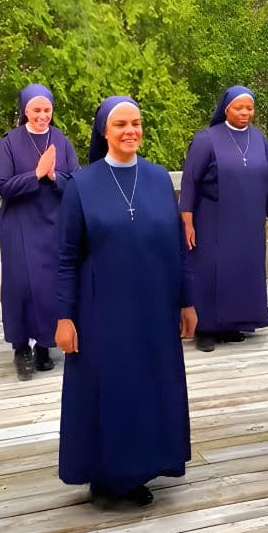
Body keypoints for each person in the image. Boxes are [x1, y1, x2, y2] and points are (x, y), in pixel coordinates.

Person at [55, 96, 197, 506]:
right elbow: (65, 258)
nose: (130, 131)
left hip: (154, 307)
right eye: (120, 125)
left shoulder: (156, 179)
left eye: (136, 123)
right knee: (111, 390)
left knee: (149, 387)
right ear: (104, 131)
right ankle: (106, 475)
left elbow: (177, 247)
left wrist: (187, 302)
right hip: (102, 312)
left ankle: (140, 470)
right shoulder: (81, 185)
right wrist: (64, 317)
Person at [180, 85, 268, 352]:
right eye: (239, 107)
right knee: (210, 272)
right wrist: (187, 221)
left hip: (248, 221)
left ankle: (234, 323)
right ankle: (204, 329)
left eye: (249, 107)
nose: (245, 112)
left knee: (242, 271)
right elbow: (190, 182)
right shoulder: (206, 139)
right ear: (226, 109)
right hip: (211, 219)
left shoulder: (260, 140)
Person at [0, 84, 80, 380]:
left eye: (47, 110)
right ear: (25, 111)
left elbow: (77, 183)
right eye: (36, 110)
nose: (42, 115)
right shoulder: (10, 142)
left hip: (55, 223)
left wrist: (55, 176)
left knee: (50, 285)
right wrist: (36, 174)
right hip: (19, 223)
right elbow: (3, 185)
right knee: (21, 286)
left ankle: (45, 345)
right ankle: (21, 347)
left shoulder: (61, 141)